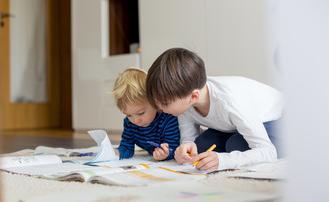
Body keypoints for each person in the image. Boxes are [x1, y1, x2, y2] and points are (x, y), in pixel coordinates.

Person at [145, 48, 284, 170]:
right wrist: (185, 147)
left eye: (164, 103)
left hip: (280, 118)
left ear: (194, 96)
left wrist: (223, 160)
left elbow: (267, 151)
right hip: (233, 125)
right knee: (201, 146)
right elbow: (188, 138)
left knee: (235, 145)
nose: (159, 108)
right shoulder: (185, 96)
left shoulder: (230, 101)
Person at [112, 67, 180, 160]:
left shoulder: (168, 119)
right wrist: (117, 153)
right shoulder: (129, 123)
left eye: (140, 113)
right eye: (128, 115)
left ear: (155, 101)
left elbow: (175, 149)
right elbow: (127, 148)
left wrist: (166, 154)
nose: (135, 120)